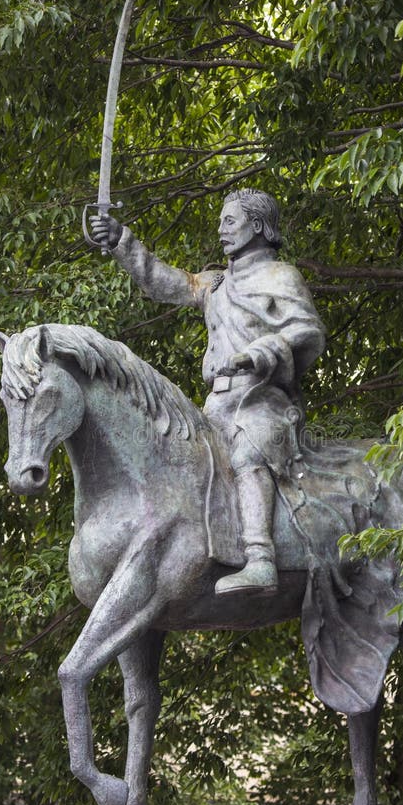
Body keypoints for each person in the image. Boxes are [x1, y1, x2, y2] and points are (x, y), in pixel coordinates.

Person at [89, 189, 325, 595]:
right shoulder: (215, 284)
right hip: (216, 404)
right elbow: (164, 280)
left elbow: (308, 331)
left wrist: (262, 351)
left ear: (256, 225)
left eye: (229, 221)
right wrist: (119, 240)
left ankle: (261, 559)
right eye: (221, 222)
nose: (221, 230)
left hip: (261, 401)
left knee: (249, 452)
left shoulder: (281, 277)